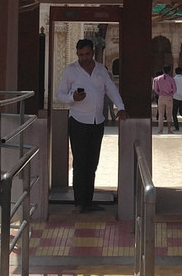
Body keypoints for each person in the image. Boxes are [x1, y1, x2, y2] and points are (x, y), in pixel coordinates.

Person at [54, 38, 127, 212]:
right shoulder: (71, 71)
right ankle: (79, 202)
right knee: (80, 162)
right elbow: (60, 95)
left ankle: (88, 200)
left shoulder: (101, 70)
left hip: (97, 121)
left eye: (87, 54)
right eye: (80, 55)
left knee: (92, 162)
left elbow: (111, 90)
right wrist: (73, 98)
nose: (84, 58)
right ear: (77, 54)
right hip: (78, 121)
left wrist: (121, 107)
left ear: (92, 53)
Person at [152, 65, 176, 134]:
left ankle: (160, 130)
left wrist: (159, 93)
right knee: (169, 113)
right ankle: (169, 130)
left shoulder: (158, 79)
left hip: (161, 97)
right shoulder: (171, 79)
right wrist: (171, 93)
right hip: (168, 97)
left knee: (161, 114)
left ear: (163, 70)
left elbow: (155, 89)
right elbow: (174, 89)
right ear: (169, 71)